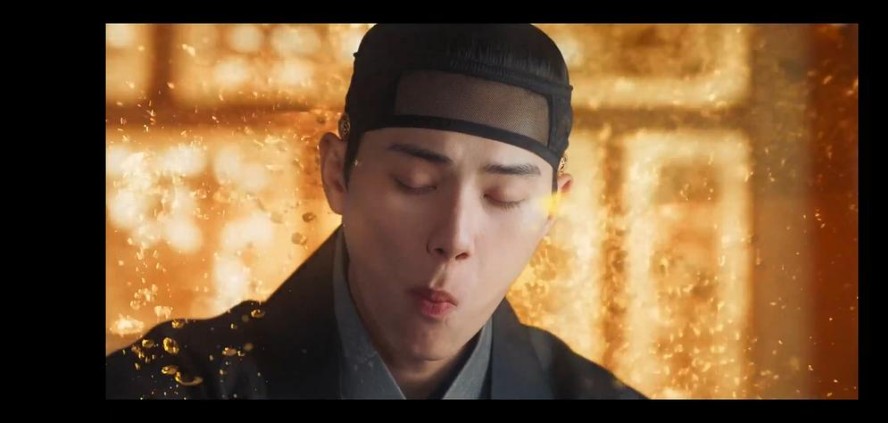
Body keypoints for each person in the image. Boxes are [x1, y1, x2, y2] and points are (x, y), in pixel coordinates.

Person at [105, 23, 645, 399]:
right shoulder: (167, 387)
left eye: (503, 197)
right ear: (338, 174)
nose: (454, 238)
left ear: (552, 208)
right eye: (415, 183)